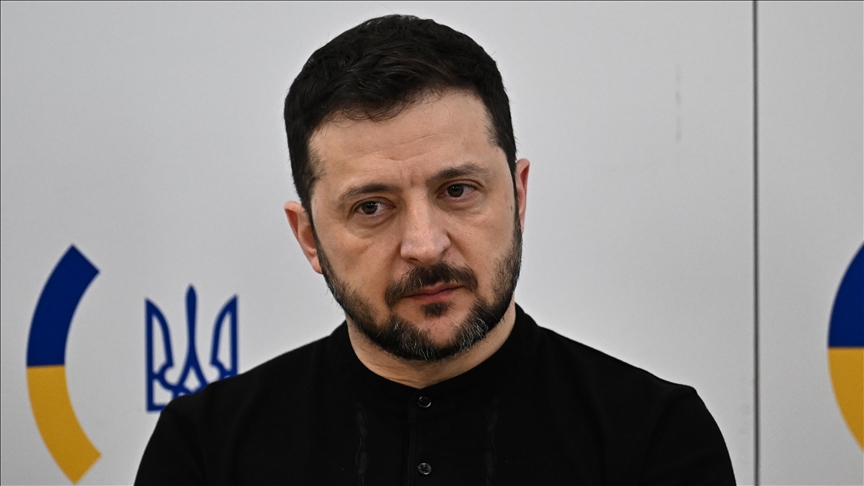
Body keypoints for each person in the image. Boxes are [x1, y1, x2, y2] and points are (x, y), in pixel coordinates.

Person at [136, 14, 736, 485]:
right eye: (371, 207)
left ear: (518, 197)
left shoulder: (655, 437)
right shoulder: (205, 450)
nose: (424, 246)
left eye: (458, 191)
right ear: (310, 238)